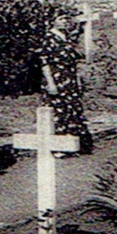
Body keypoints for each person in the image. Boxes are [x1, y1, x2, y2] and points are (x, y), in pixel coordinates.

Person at [37, 10, 93, 154]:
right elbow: (44, 63)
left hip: (69, 79)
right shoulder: (48, 38)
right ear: (53, 21)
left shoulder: (66, 38)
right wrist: (50, 83)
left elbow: (73, 61)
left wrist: (77, 80)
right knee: (58, 111)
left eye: (67, 19)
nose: (65, 21)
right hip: (56, 79)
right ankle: (56, 146)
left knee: (71, 110)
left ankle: (70, 144)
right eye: (61, 19)